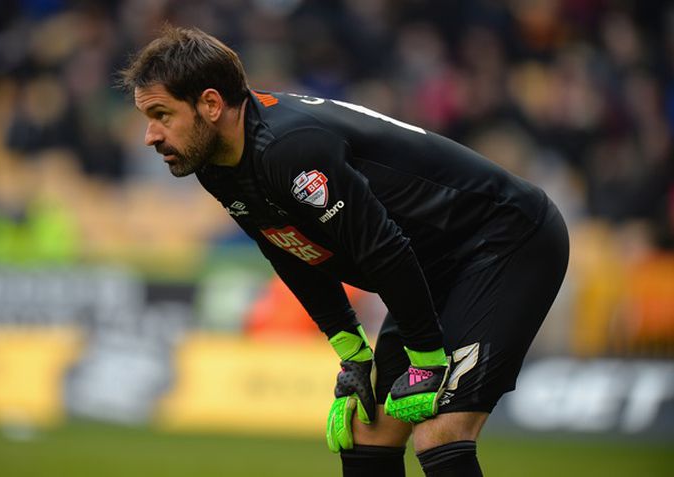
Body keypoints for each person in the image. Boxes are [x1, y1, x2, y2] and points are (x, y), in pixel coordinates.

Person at [120, 26, 569, 477]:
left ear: (211, 105)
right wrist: (352, 352)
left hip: (506, 238)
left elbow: (383, 248)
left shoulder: (289, 149)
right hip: (433, 262)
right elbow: (290, 251)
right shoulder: (217, 164)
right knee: (365, 430)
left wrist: (428, 358)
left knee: (440, 431)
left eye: (161, 115)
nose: (150, 136)